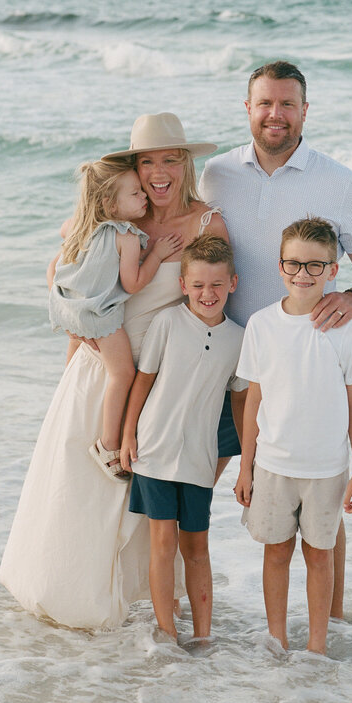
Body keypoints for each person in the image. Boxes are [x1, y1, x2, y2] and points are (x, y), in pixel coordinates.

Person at [0, 113, 227, 631]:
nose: (159, 172)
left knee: (138, 503)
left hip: (159, 382)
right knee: (82, 489)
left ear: (186, 163)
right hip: (101, 365)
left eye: (170, 158)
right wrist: (77, 334)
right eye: (148, 161)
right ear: (134, 169)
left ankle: (143, 608)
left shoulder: (206, 223)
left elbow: (214, 303)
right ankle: (71, 597)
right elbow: (64, 271)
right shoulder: (114, 218)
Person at [198, 61, 352, 617]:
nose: (275, 114)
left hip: (304, 374)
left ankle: (330, 626)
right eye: (265, 103)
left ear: (306, 111)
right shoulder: (215, 174)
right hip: (228, 361)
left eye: (288, 104)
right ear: (247, 108)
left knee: (319, 506)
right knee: (193, 484)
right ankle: (169, 604)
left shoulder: (337, 182)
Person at [234, 217, 352, 654]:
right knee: (275, 555)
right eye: (293, 264)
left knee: (319, 557)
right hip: (272, 465)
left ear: (333, 271)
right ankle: (275, 641)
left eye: (315, 266)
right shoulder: (261, 325)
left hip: (327, 469)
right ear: (279, 267)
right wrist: (245, 466)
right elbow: (254, 399)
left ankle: (316, 648)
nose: (303, 275)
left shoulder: (344, 327)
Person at [120, 236, 246, 642]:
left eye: (215, 285)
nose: (206, 294)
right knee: (161, 541)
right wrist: (127, 435)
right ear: (183, 285)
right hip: (154, 449)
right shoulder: (168, 323)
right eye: (197, 285)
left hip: (199, 458)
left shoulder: (240, 339)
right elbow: (143, 380)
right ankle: (168, 633)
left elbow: (241, 402)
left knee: (197, 548)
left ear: (233, 284)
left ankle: (204, 637)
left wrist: (249, 461)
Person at [48, 157, 181, 479]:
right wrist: (159, 256)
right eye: (135, 193)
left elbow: (56, 260)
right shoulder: (127, 237)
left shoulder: (78, 226)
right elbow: (133, 283)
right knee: (122, 374)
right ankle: (107, 445)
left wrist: (58, 294)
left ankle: (68, 401)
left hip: (68, 306)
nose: (144, 197)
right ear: (109, 202)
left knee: (76, 353)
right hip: (98, 315)